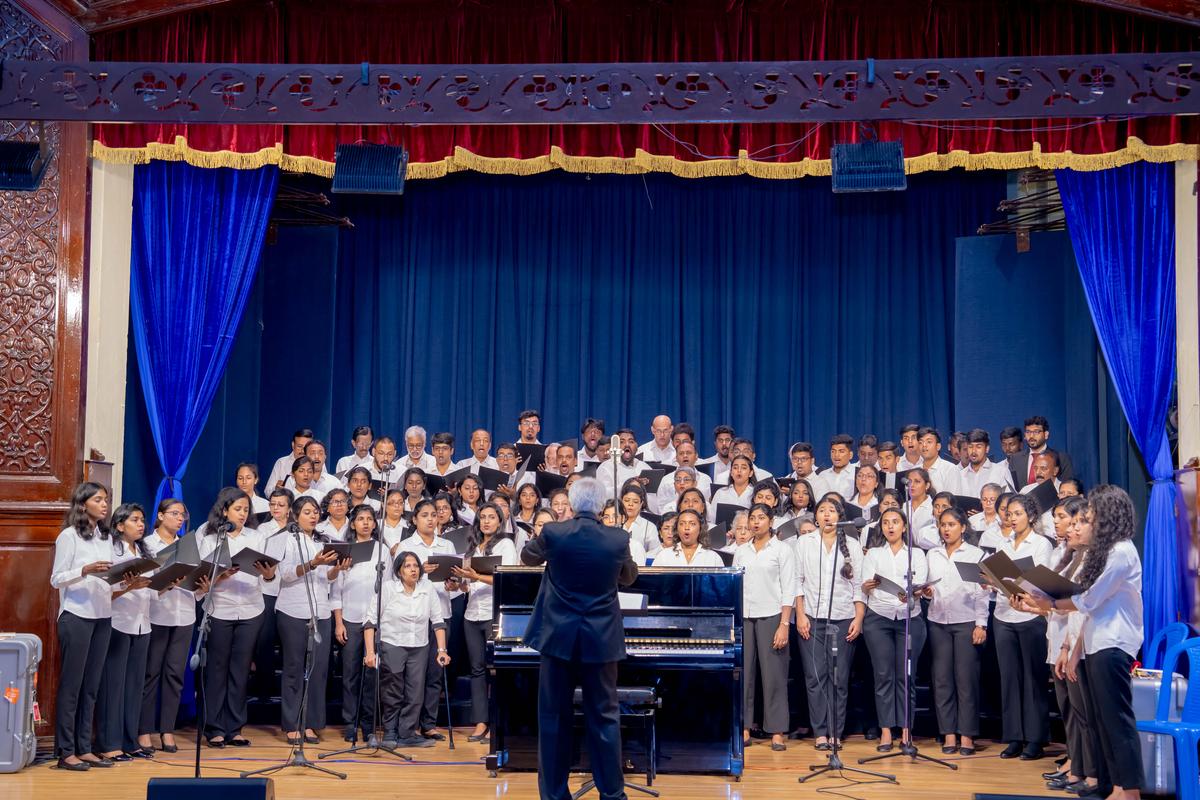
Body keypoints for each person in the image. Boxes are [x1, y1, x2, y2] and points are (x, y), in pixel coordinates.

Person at [519, 477, 638, 800]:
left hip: (557, 638)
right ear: (601, 507)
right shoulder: (617, 538)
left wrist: (544, 535)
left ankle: (555, 795)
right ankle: (612, 794)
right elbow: (629, 577)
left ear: (570, 504)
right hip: (601, 640)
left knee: (553, 718)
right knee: (604, 718)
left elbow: (527, 557)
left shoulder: (555, 533)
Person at [1027, 486, 1143, 800]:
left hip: (1114, 643)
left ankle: (1128, 790)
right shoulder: (1107, 552)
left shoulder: (1120, 552)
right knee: (1104, 723)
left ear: (1106, 520)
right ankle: (1115, 785)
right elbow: (1088, 610)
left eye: (1089, 519)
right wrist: (1075, 648)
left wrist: (1045, 603)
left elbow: (1087, 602)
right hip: (1097, 642)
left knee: (1117, 722)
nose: (1083, 524)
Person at [197, 487, 276, 747]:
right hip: (220, 607)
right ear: (224, 510)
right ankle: (214, 727)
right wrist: (220, 574)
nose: (242, 514)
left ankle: (235, 727)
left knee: (240, 670)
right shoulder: (210, 537)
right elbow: (202, 577)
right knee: (217, 668)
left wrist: (268, 573)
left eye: (245, 510)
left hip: (251, 607)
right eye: (237, 509)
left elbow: (268, 573)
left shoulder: (257, 536)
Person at [51, 482, 116, 770]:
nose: (105, 504)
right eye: (99, 499)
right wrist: (85, 570)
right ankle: (66, 751)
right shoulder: (69, 536)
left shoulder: (105, 536)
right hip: (76, 615)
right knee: (72, 686)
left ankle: (85, 747)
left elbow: (108, 576)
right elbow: (56, 578)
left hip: (102, 615)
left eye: (106, 500)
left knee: (91, 686)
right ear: (83, 503)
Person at [277, 495, 351, 745]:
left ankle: (311, 723)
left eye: (315, 511)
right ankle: (292, 723)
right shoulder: (286, 539)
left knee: (319, 669)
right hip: (293, 610)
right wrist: (312, 563)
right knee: (294, 668)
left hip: (320, 610)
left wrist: (336, 569)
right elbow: (285, 575)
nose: (313, 515)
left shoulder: (324, 540)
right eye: (307, 511)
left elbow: (327, 579)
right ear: (295, 515)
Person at [794, 495, 864, 750]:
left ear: (840, 516)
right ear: (815, 517)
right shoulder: (804, 542)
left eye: (831, 511)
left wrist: (858, 618)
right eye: (822, 510)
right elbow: (797, 581)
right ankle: (820, 732)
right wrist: (800, 615)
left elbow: (858, 586)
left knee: (838, 677)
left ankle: (836, 731)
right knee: (815, 677)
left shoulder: (852, 545)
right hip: (812, 618)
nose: (826, 515)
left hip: (843, 617)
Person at [364, 551, 452, 749]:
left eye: (415, 565)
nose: (413, 569)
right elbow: (370, 622)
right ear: (398, 571)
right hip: (392, 643)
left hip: (419, 646)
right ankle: (390, 733)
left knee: (415, 692)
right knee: (393, 691)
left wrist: (441, 650)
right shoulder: (388, 589)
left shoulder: (427, 588)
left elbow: (438, 622)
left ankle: (407, 733)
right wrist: (370, 652)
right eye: (407, 566)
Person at [992, 493, 1054, 760]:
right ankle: (1015, 737)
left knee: (1033, 679)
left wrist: (1020, 583)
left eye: (1017, 513)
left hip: (1031, 616)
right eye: (1009, 514)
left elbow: (1043, 582)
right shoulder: (1002, 543)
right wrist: (991, 580)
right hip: (1004, 614)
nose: (1012, 518)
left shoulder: (1041, 544)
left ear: (1030, 515)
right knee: (1009, 679)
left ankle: (1035, 739)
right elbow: (997, 575)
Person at [923, 507, 989, 755]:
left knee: (966, 680)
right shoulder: (933, 554)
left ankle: (968, 735)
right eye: (943, 525)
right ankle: (949, 734)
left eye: (951, 524)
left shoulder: (975, 554)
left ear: (963, 527)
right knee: (942, 680)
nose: (947, 529)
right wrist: (927, 592)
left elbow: (982, 591)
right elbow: (929, 586)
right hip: (938, 620)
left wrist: (981, 623)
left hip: (966, 621)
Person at [860, 508, 927, 752]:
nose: (890, 527)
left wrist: (915, 592)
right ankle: (886, 731)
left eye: (895, 522)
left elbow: (920, 583)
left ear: (904, 526)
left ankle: (906, 731)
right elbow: (866, 584)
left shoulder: (916, 554)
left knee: (906, 676)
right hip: (879, 618)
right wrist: (867, 586)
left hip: (909, 619)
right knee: (883, 675)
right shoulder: (875, 553)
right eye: (886, 523)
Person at [396, 499, 462, 741]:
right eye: (425, 515)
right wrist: (420, 572)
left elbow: (456, 586)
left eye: (434, 514)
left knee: (435, 672)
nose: (431, 519)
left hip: (441, 614)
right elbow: (395, 583)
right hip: (412, 616)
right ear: (414, 519)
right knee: (412, 675)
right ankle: (410, 724)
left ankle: (429, 723)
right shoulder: (405, 545)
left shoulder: (447, 545)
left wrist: (453, 583)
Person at [452, 502, 518, 741]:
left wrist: (476, 575)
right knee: (477, 670)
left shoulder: (505, 544)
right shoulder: (472, 547)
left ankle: (500, 721)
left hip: (495, 613)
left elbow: (508, 577)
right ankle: (481, 722)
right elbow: (468, 585)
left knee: (497, 670)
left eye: (492, 517)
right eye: (483, 517)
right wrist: (458, 582)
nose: (487, 521)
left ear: (500, 521)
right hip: (472, 614)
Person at [734, 503, 795, 751]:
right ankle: (745, 726)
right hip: (745, 616)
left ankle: (777, 730)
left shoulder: (782, 550)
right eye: (753, 518)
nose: (756, 522)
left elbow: (789, 588)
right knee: (744, 674)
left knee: (774, 676)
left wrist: (784, 624)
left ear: (771, 521)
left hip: (772, 616)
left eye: (761, 518)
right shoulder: (741, 551)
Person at [96, 503, 154, 762]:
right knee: (114, 686)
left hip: (143, 623)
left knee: (134, 686)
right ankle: (110, 743)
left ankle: (130, 741)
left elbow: (149, 588)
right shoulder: (112, 550)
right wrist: (128, 586)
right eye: (135, 520)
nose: (141, 524)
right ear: (120, 525)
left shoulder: (143, 550)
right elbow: (105, 591)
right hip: (118, 622)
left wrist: (168, 583)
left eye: (142, 520)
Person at [138, 498, 193, 754]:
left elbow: (195, 582)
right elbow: (144, 583)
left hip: (185, 614)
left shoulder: (187, 545)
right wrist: (166, 583)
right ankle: (145, 731)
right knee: (151, 674)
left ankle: (167, 730)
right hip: (158, 614)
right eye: (174, 513)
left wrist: (202, 584)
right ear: (160, 516)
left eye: (182, 514)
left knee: (175, 675)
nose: (179, 518)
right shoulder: (148, 545)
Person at [331, 504, 387, 742]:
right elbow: (336, 591)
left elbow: (389, 585)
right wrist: (339, 622)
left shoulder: (382, 550)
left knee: (372, 675)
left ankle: (369, 726)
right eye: (360, 519)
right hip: (351, 621)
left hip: (375, 620)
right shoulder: (345, 551)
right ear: (352, 524)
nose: (365, 523)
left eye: (369, 519)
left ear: (375, 524)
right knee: (350, 674)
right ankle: (350, 723)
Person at [1009, 416, 1075, 490]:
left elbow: (1069, 487)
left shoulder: (1062, 458)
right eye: (1028, 432)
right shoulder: (1015, 459)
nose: (1031, 436)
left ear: (1046, 434)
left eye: (1036, 432)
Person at [652, 509, 725, 566]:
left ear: (700, 528)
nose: (686, 527)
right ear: (677, 529)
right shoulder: (664, 555)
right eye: (682, 524)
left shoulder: (713, 558)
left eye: (692, 524)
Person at [710, 454, 756, 523]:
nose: (739, 470)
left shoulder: (755, 494)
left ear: (750, 473)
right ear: (731, 472)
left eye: (743, 468)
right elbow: (712, 519)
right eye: (735, 468)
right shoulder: (721, 493)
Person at [817, 434, 856, 499]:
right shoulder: (822, 475)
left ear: (850, 455)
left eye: (841, 451)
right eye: (833, 451)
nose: (836, 455)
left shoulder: (857, 474)